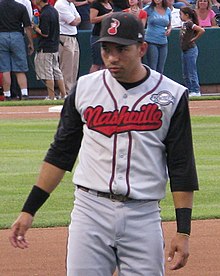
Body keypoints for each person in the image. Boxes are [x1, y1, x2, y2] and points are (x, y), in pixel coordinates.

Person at [9, 12, 199, 276]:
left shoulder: (171, 95)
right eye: (107, 49)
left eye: (122, 49)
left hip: (142, 215)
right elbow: (61, 154)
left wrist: (183, 230)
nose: (112, 57)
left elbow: (181, 164)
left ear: (142, 48)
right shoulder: (85, 89)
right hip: (90, 211)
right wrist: (29, 210)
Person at [0, 0, 34, 101]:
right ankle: (24, 93)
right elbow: (28, 27)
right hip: (17, 36)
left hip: (1, 36)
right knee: (20, 68)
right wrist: (31, 43)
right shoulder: (20, 7)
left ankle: (7, 94)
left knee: (5, 69)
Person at [33, 0, 66, 100]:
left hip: (46, 47)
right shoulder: (53, 10)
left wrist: (35, 27)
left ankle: (51, 97)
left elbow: (44, 33)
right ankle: (64, 95)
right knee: (56, 71)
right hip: (54, 46)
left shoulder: (45, 13)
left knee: (48, 74)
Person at [55, 0, 81, 95]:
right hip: (64, 37)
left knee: (74, 67)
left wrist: (76, 19)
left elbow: (79, 18)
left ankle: (72, 92)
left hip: (73, 37)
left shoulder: (71, 4)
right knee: (66, 68)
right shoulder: (60, 4)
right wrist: (76, 19)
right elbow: (73, 21)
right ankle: (65, 93)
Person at [180, 6, 205, 96]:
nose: (180, 16)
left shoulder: (190, 23)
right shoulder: (185, 24)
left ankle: (195, 90)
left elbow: (201, 30)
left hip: (190, 50)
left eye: (182, 14)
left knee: (191, 71)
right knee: (186, 72)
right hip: (185, 50)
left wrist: (194, 38)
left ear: (187, 15)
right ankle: (190, 89)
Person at [144, 0, 172, 73]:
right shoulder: (148, 9)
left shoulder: (168, 10)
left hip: (163, 41)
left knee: (161, 68)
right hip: (151, 40)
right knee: (153, 67)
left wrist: (169, 30)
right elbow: (140, 16)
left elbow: (169, 25)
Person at [89, 0, 113, 73]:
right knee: (97, 63)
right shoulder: (96, 4)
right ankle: (91, 82)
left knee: (106, 63)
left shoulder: (110, 4)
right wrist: (107, 15)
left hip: (108, 36)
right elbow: (92, 19)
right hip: (98, 36)